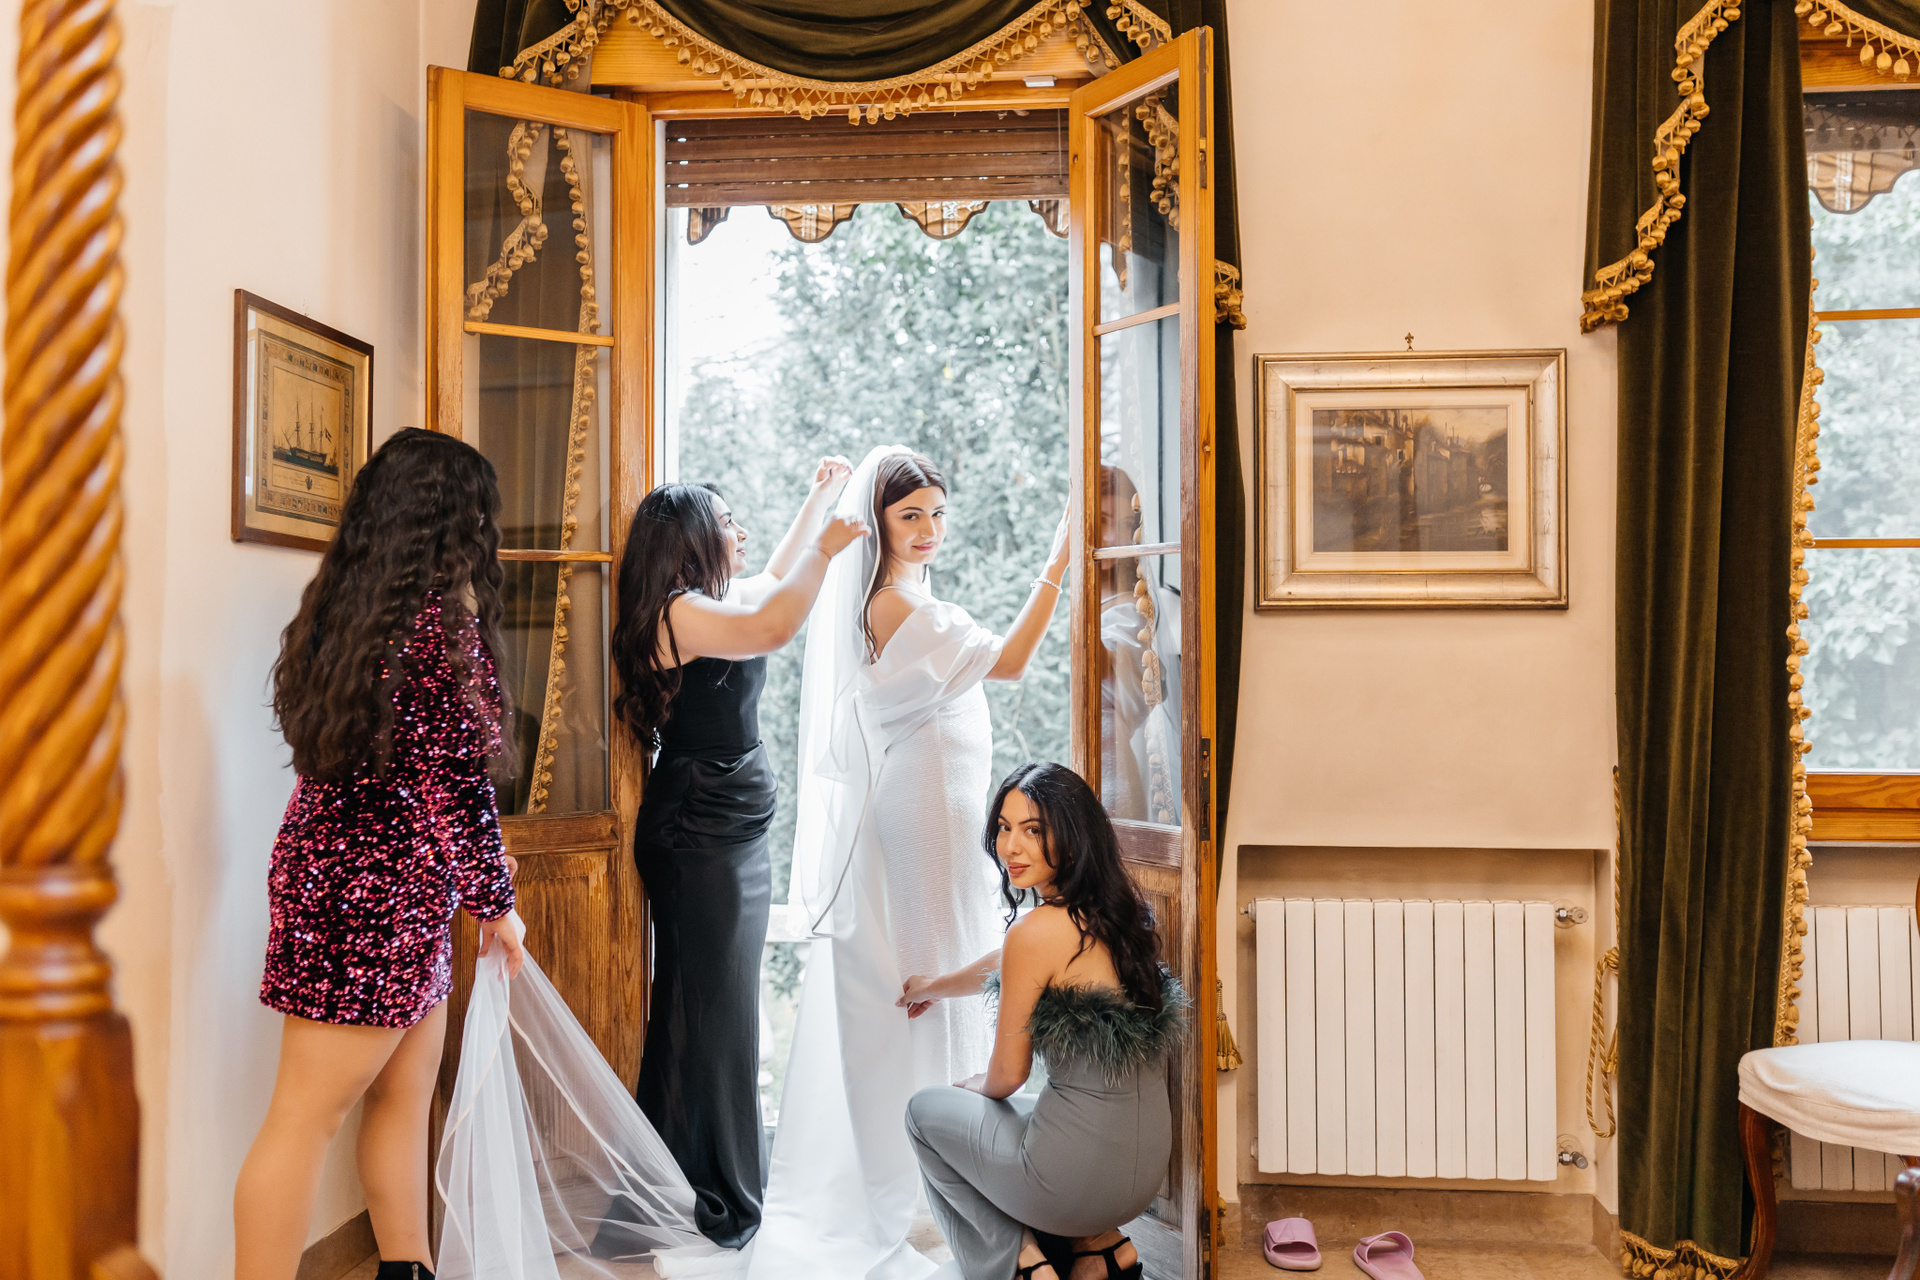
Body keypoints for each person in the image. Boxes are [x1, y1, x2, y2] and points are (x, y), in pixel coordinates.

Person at [751, 447, 1070, 1280]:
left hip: (949, 813)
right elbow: (1012, 662)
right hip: (924, 811)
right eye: (910, 516)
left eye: (937, 513)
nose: (929, 530)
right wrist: (1057, 564)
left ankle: (966, 1176)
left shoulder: (917, 599)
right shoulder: (892, 603)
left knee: (952, 973)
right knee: (934, 987)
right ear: (879, 524)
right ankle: (939, 1187)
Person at [234, 428, 527, 1280]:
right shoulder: (440, 635)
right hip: (379, 899)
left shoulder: (341, 614)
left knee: (399, 1099)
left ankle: (409, 1267)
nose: (484, 534)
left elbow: (423, 782)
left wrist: (472, 888)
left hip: (346, 878)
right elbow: (456, 791)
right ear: (450, 524)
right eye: (478, 516)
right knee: (306, 1117)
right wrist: (498, 905)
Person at [608, 461, 867, 1253]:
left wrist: (817, 499)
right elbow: (773, 624)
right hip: (699, 831)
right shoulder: (678, 615)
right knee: (712, 1016)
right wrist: (826, 547)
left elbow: (771, 589)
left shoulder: (706, 605)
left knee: (717, 1011)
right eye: (727, 522)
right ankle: (709, 1194)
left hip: (728, 826)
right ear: (689, 540)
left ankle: (692, 1183)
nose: (741, 532)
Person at [900, 763, 1185, 1280]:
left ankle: (1021, 1264)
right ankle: (1101, 1250)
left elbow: (1007, 1077)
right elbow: (1006, 964)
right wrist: (933, 987)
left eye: (1033, 830)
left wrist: (976, 1085)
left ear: (1073, 839)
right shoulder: (1120, 917)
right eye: (1004, 828)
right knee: (1030, 1115)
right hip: (1144, 1177)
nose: (1011, 847)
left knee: (924, 1113)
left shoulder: (1035, 934)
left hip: (1072, 1185)